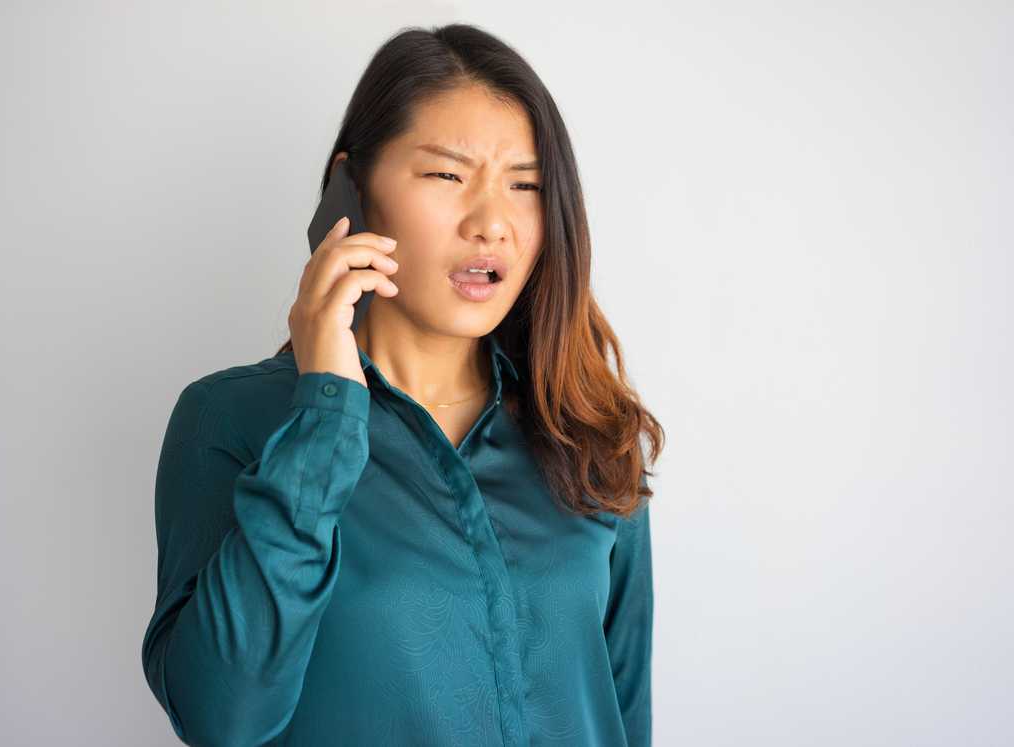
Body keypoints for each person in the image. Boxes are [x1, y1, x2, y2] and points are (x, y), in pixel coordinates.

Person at [141, 23, 664, 747]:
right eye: (447, 175)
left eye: (526, 186)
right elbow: (222, 717)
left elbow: (625, 714)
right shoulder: (231, 421)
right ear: (349, 190)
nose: (492, 225)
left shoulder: (586, 433)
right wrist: (324, 414)